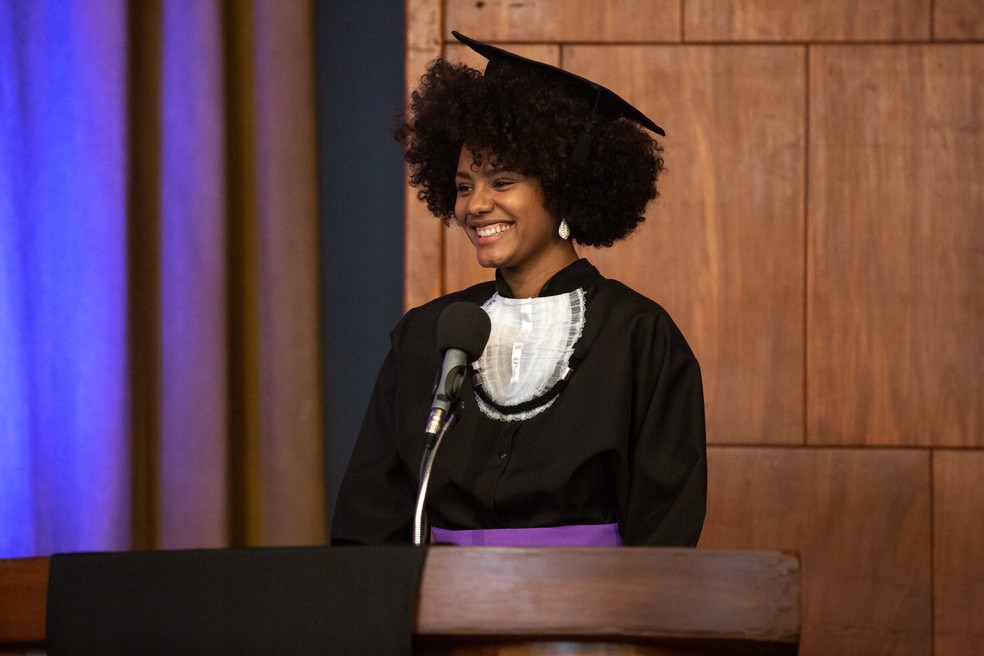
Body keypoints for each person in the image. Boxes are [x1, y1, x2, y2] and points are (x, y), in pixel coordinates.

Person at [330, 32, 706, 547]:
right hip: (436, 617)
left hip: (588, 617)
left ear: (564, 187)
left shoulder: (639, 338)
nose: (476, 206)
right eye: (464, 186)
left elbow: (665, 534)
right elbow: (368, 525)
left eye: (502, 182)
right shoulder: (425, 335)